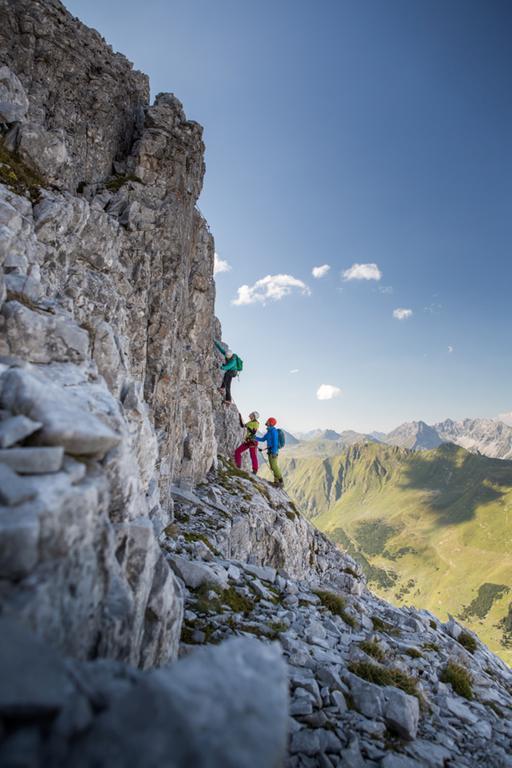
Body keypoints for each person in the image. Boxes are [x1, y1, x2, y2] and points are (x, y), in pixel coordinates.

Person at [256, 417, 283, 487]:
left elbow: (275, 443)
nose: (266, 422)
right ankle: (276, 482)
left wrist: (274, 452)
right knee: (272, 467)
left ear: (271, 423)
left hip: (273, 452)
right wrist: (254, 437)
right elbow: (262, 439)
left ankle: (281, 482)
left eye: (268, 421)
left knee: (274, 466)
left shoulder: (274, 431)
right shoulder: (269, 432)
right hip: (270, 451)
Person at [214, 339, 241, 404]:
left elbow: (227, 367)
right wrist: (216, 343)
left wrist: (220, 367)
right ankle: (223, 389)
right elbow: (221, 350)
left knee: (227, 383)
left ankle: (228, 398)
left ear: (230, 357)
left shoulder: (233, 361)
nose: (227, 358)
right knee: (226, 378)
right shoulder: (228, 354)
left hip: (233, 372)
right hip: (230, 371)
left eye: (228, 357)